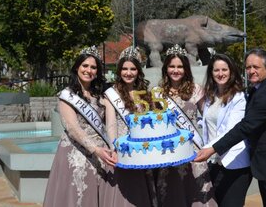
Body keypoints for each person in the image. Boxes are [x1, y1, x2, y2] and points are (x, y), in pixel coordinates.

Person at [195, 48, 266, 207]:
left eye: (256, 67)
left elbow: (244, 127)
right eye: (248, 67)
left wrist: (212, 149)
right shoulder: (256, 90)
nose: (251, 71)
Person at [43, 46, 113, 206]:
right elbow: (73, 128)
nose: (89, 70)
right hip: (77, 154)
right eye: (85, 66)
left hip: (102, 155)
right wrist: (96, 150)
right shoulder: (67, 95)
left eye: (93, 67)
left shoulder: (101, 95)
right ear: (77, 67)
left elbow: (109, 124)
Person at [154, 44, 217, 207]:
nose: (176, 70)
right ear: (166, 68)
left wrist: (210, 146)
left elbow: (208, 119)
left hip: (192, 151)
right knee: (172, 195)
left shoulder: (196, 90)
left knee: (194, 194)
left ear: (186, 69)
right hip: (169, 153)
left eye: (180, 66)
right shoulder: (157, 93)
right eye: (172, 66)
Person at [103, 46, 155, 207]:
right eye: (124, 69)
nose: (128, 72)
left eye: (133, 69)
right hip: (123, 151)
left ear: (138, 71)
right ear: (119, 71)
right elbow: (111, 124)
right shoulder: (111, 94)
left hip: (142, 152)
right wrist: (115, 149)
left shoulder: (146, 93)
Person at [200, 54, 251, 207]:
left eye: (224, 69)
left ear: (231, 72)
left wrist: (206, 150)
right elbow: (208, 125)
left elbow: (231, 131)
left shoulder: (239, 97)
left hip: (234, 164)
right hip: (214, 163)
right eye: (216, 70)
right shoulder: (210, 96)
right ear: (211, 73)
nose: (220, 74)